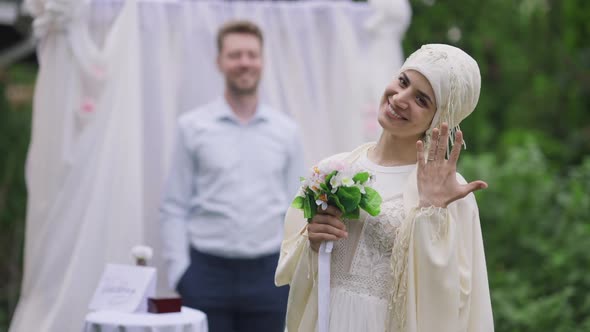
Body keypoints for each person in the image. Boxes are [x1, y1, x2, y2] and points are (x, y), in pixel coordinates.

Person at [275, 44, 494, 332]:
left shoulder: (449, 191)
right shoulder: (333, 168)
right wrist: (313, 243)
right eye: (403, 82)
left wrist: (430, 214)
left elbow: (457, 300)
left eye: (422, 99)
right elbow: (291, 270)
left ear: (438, 119)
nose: (400, 99)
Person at [160, 19, 305, 332]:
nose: (244, 63)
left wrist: (292, 270)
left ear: (262, 61)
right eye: (235, 55)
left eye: (252, 55)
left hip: (269, 276)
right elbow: (173, 205)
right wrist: (180, 273)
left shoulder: (286, 132)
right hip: (205, 274)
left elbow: (297, 209)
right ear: (219, 62)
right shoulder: (192, 127)